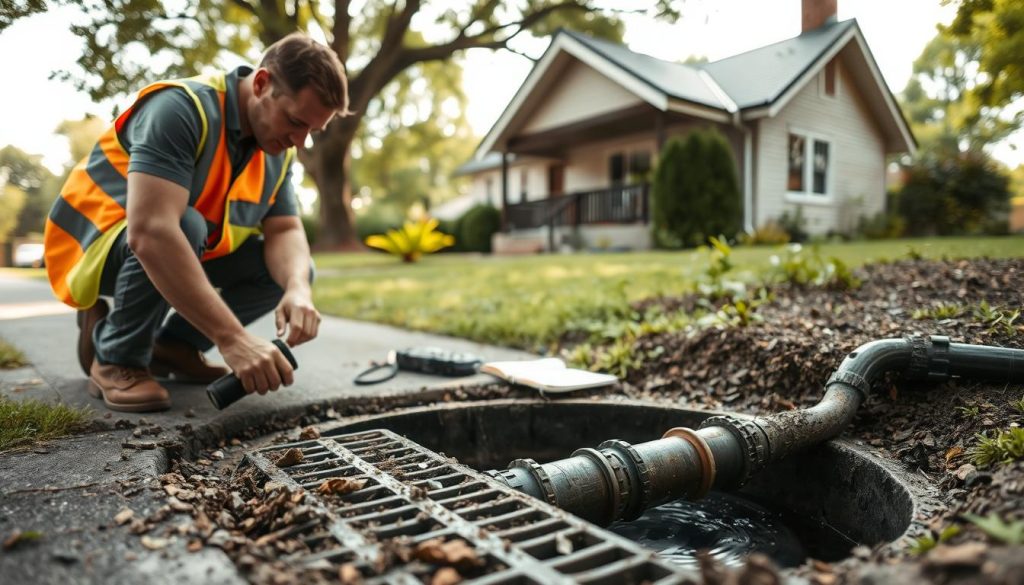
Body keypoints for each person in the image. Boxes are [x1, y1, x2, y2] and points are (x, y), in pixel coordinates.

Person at [43, 32, 350, 412]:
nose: (301, 142)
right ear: (261, 83)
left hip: (182, 244)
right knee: (183, 226)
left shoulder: (278, 150)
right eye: (295, 121)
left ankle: (172, 348)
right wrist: (233, 339)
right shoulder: (180, 109)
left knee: (290, 271)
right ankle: (116, 357)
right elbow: (152, 232)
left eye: (312, 132)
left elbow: (285, 230)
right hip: (94, 249)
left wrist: (298, 289)